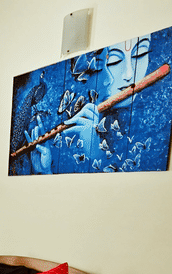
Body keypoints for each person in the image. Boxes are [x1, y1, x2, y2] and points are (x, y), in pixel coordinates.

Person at [26, 34, 151, 174]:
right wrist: (45, 170)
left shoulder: (148, 126)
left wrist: (95, 150)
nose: (129, 74)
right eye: (115, 61)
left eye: (141, 53)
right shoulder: (88, 103)